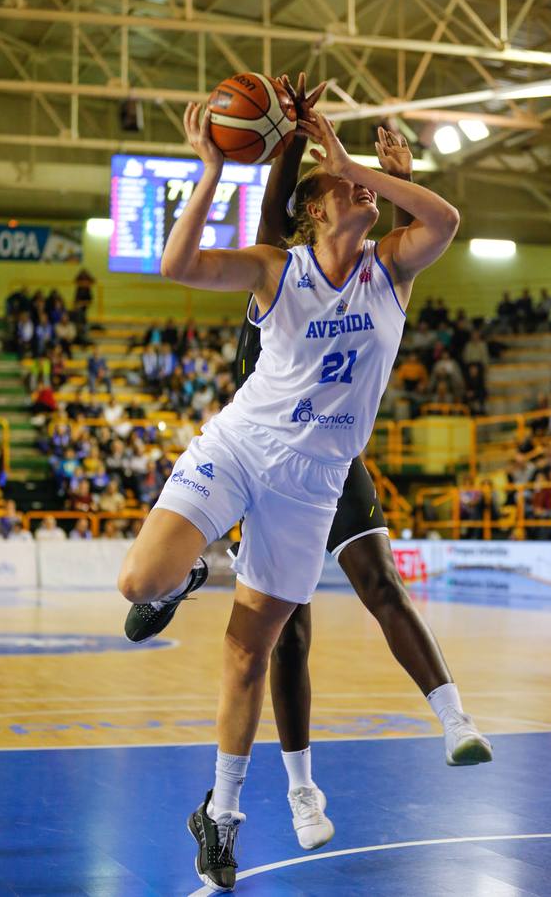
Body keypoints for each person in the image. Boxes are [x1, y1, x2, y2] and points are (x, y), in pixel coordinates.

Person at [118, 78, 472, 892]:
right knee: (140, 579)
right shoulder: (276, 267)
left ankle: (224, 815)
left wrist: (360, 163)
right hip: (242, 446)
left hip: (313, 487)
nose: (360, 192)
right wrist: (210, 167)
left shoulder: (390, 269)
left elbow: (444, 220)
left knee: (251, 654)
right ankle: (181, 583)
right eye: (344, 188)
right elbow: (177, 264)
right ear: (314, 212)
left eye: (364, 189)